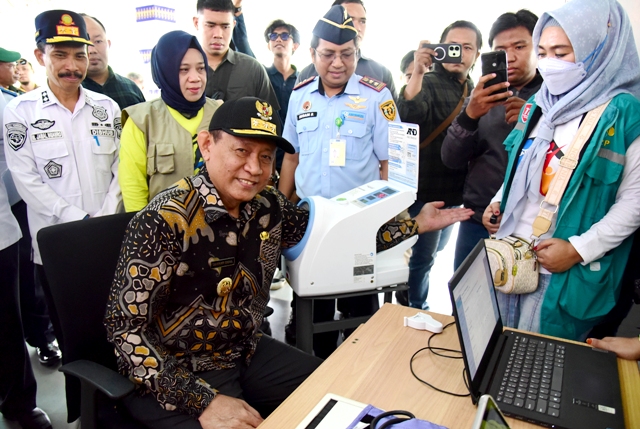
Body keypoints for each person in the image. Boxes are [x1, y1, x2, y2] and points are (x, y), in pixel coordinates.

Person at [105, 96, 473, 428]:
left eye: (265, 156)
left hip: (245, 351)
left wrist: (415, 224)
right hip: (177, 371)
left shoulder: (268, 205)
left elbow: (333, 241)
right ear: (207, 144)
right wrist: (203, 401)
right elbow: (124, 330)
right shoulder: (163, 220)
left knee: (344, 397)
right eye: (241, 151)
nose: (254, 168)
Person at [482, 0, 640, 341]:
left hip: (562, 263)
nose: (549, 64)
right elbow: (520, 164)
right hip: (511, 250)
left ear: (599, 51)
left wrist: (578, 249)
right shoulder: (540, 102)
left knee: (537, 359)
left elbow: (634, 203)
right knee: (497, 344)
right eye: (543, 52)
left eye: (562, 52)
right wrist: (498, 201)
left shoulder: (624, 113)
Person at [278, 5, 397, 357]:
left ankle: (358, 379)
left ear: (357, 54)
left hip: (359, 225)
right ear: (313, 53)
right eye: (328, 54)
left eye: (347, 54)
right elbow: (291, 156)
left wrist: (384, 219)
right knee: (312, 319)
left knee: (361, 319)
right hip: (311, 223)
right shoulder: (300, 96)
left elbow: (389, 162)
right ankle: (315, 377)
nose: (337, 63)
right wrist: (281, 209)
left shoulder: (377, 97)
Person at [3, 10, 122, 360]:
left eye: (79, 55)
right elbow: (26, 180)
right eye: (60, 54)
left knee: (119, 328)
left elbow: (119, 172)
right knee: (74, 337)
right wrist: (76, 219)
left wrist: (101, 219)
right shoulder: (21, 112)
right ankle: (85, 412)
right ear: (40, 56)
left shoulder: (107, 107)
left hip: (107, 239)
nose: (72, 65)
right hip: (57, 247)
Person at [442, 10, 543, 269]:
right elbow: (451, 158)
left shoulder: (554, 99)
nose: (509, 56)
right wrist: (470, 115)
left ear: (538, 47)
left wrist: (536, 116)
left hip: (533, 227)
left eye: (520, 46)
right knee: (468, 302)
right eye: (500, 49)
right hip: (477, 221)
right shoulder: (479, 99)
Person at [396, 20, 481, 310]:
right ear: (441, 49)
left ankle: (407, 291)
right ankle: (416, 305)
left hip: (460, 191)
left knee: (439, 250)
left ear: (477, 55)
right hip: (427, 192)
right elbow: (409, 118)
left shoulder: (476, 89)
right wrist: (418, 72)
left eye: (466, 47)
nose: (459, 53)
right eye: (452, 47)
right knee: (425, 256)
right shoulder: (428, 82)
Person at [118, 30, 222, 212]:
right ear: (166, 72)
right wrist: (146, 233)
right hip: (162, 231)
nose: (195, 78)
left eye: (200, 68)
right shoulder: (141, 121)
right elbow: (133, 188)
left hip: (217, 228)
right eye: (183, 70)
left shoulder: (220, 112)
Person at [0, 76, 52, 429]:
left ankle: (17, 402)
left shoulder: (8, 104)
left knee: (5, 320)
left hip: (1, 228)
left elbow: (15, 168)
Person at [296, 0, 397, 99]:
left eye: (362, 21)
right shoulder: (307, 74)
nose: (357, 28)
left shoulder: (381, 72)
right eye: (350, 19)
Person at [193, 0, 278, 107]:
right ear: (196, 23)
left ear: (233, 25)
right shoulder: (181, 69)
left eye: (225, 26)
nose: (218, 34)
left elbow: (270, 118)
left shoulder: (253, 69)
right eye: (210, 25)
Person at [80, 14, 145, 110]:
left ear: (108, 43)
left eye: (98, 41)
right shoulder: (71, 91)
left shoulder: (131, 88)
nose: (91, 50)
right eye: (84, 43)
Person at [264, 19, 300, 172]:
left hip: (297, 157)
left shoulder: (303, 81)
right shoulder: (262, 75)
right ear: (268, 45)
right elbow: (242, 44)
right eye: (273, 36)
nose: (278, 39)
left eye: (285, 36)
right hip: (268, 155)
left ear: (295, 45)